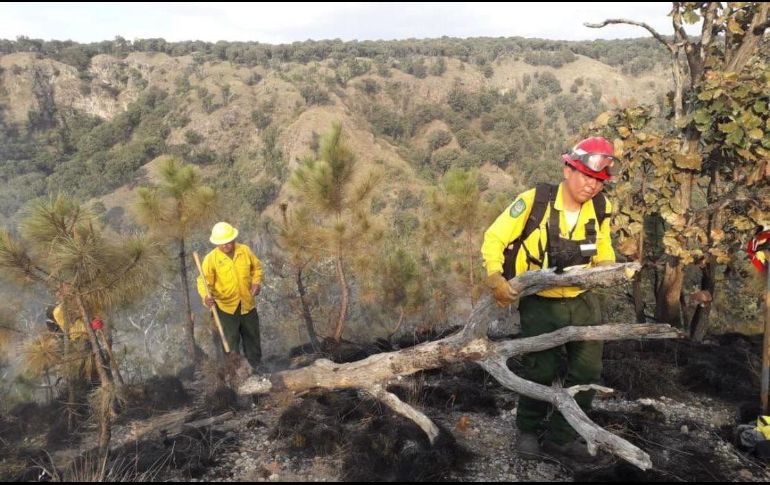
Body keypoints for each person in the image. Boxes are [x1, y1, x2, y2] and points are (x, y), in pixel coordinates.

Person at [480, 136, 617, 462]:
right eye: (586, 175)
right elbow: (494, 237)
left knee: (586, 372)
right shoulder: (534, 202)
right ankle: (527, 429)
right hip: (540, 302)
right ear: (567, 168)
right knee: (540, 369)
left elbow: (604, 248)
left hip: (583, 302)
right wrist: (495, 276)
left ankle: (561, 438)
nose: (592, 186)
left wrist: (611, 269)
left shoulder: (601, 207)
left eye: (599, 180)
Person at [197, 221, 263, 367]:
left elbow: (256, 267)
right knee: (230, 345)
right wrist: (206, 297)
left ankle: (257, 369)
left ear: (233, 239)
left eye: (229, 242)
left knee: (253, 340)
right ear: (216, 243)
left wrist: (256, 282)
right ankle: (236, 375)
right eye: (222, 243)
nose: (226, 245)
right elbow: (203, 282)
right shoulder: (211, 259)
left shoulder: (244, 251)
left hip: (247, 305)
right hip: (225, 309)